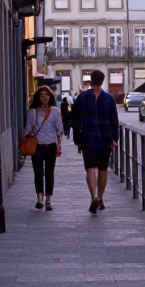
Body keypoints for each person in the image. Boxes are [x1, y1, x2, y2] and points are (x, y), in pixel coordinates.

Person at [73, 70, 119, 214]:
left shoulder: (81, 98)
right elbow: (114, 121)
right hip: (105, 137)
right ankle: (100, 197)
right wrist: (115, 138)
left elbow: (75, 121)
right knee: (103, 169)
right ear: (103, 80)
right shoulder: (109, 98)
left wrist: (77, 139)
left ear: (90, 80)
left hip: (87, 136)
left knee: (90, 168)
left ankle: (93, 196)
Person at [24, 86, 65, 211]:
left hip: (51, 146)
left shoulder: (55, 111)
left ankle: (48, 200)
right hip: (37, 146)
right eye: (41, 95)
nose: (44, 97)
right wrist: (29, 134)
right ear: (38, 97)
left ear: (50, 97)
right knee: (38, 173)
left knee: (49, 173)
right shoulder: (32, 112)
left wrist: (59, 145)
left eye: (46, 95)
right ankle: (39, 199)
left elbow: (60, 130)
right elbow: (27, 129)